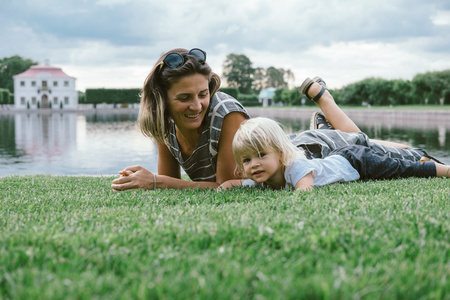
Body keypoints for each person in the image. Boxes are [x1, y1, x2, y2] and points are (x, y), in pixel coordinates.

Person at [111, 47, 438, 191]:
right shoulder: (164, 124)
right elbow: (171, 183)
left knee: (365, 144)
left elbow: (227, 185)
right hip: (288, 148)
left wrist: (155, 181)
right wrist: (156, 181)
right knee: (359, 140)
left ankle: (323, 98)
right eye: (184, 98)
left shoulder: (226, 112)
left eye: (202, 94)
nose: (197, 105)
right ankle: (323, 124)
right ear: (162, 100)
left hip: (304, 154)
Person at [220, 117, 450, 191]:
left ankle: (444, 169)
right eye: (247, 160)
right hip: (342, 156)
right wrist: (230, 184)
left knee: (400, 169)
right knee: (398, 165)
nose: (254, 165)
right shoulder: (265, 176)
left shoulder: (295, 167)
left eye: (261, 155)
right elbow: (244, 183)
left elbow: (305, 191)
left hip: (356, 160)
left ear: (280, 154)